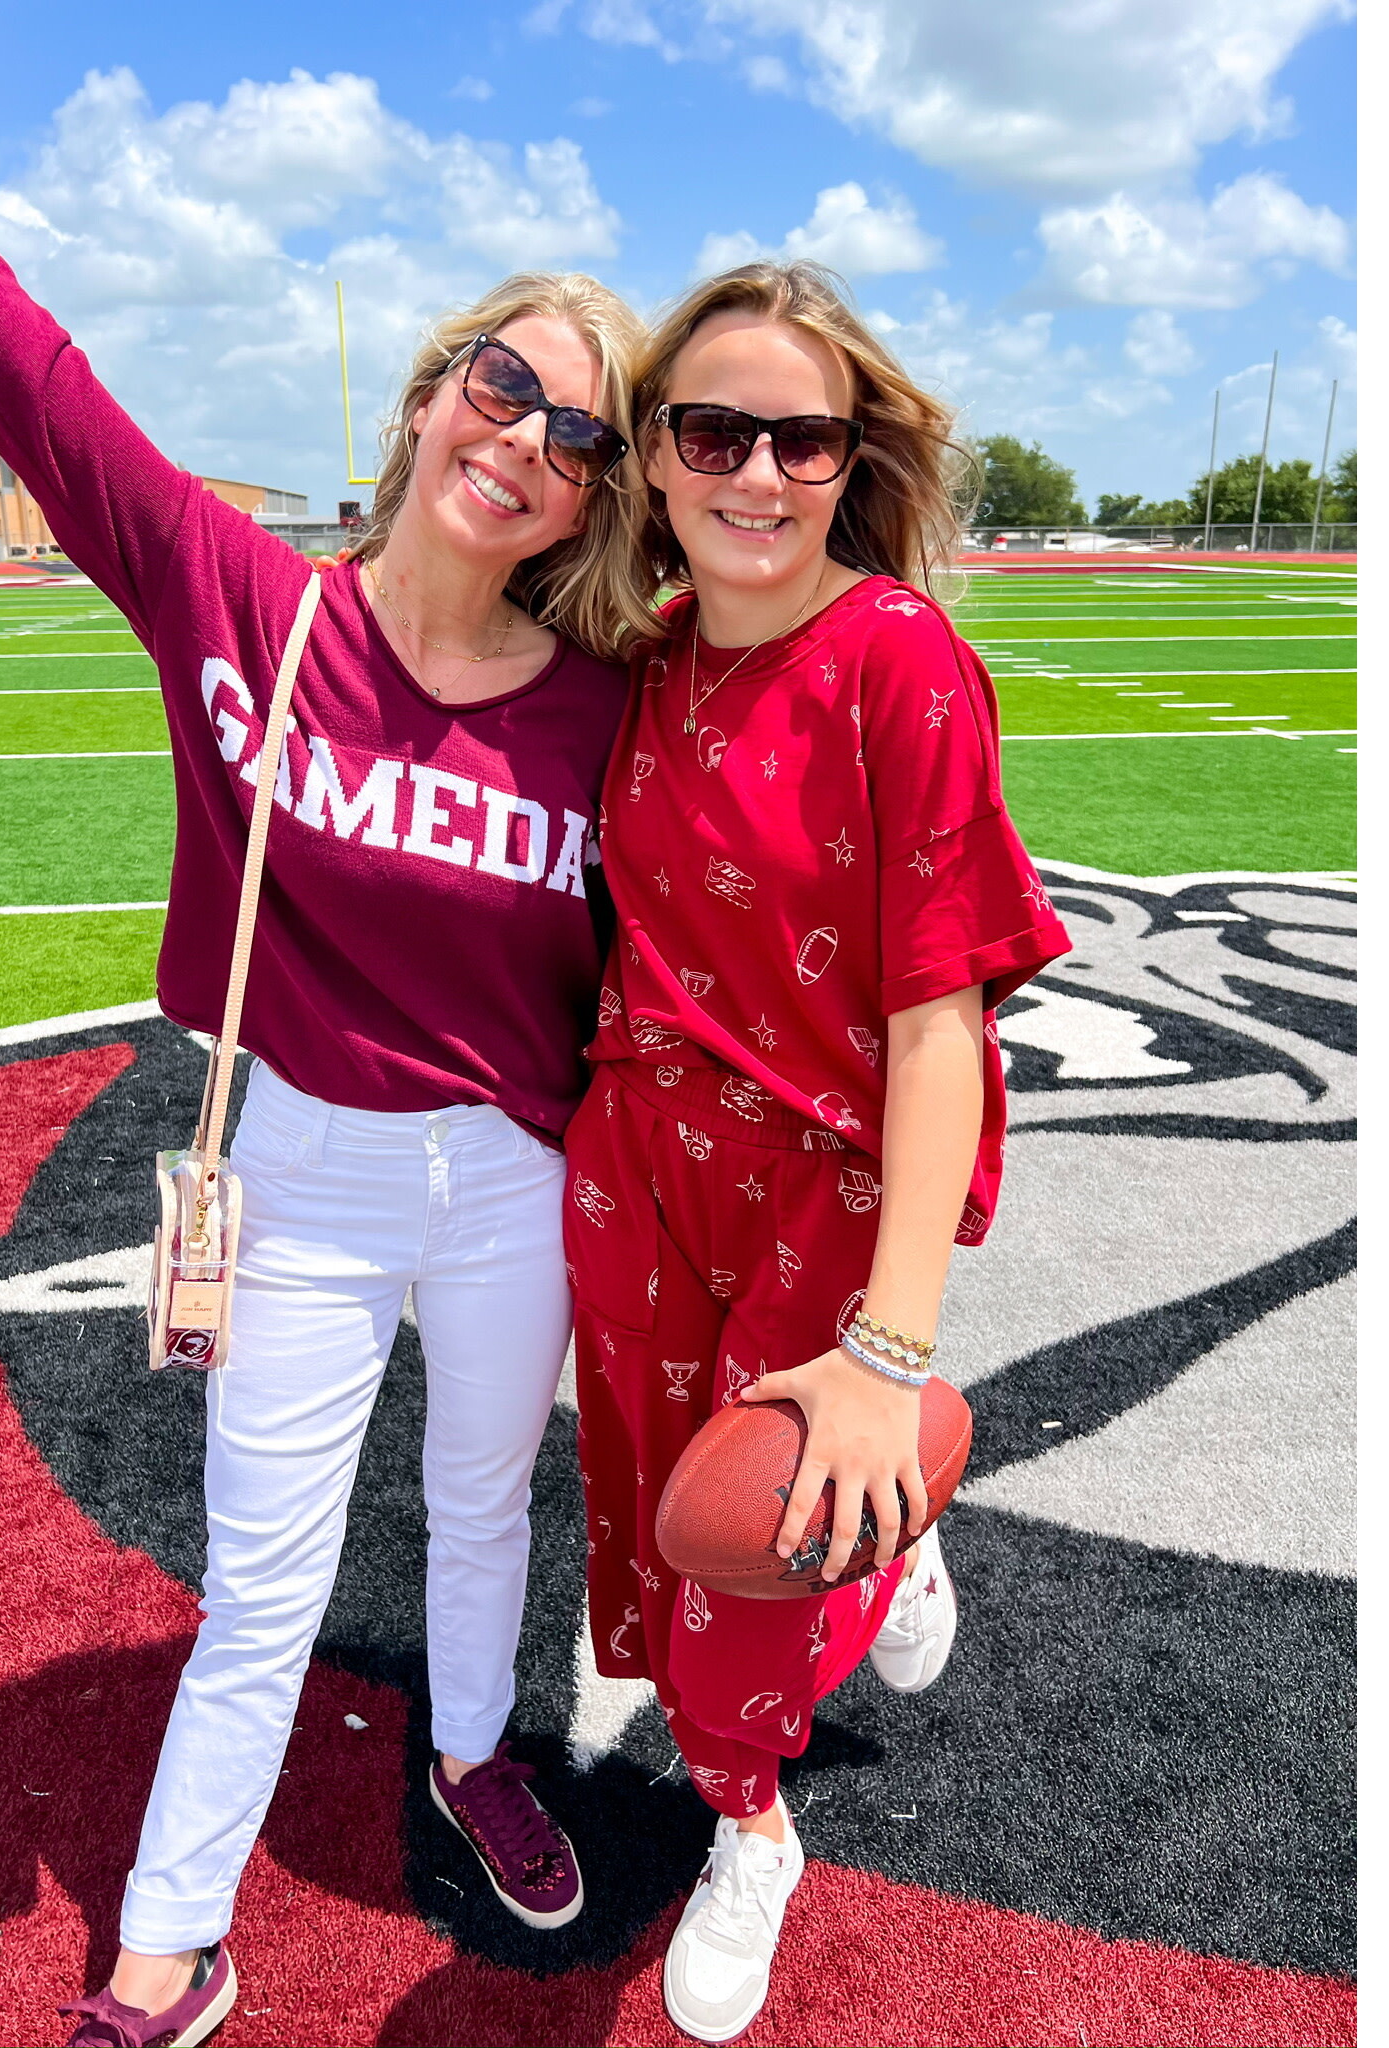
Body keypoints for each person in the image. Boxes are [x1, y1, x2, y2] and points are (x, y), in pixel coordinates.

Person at [0, 45, 655, 2048]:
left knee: (482, 1505)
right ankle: (168, 1941)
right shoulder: (237, 599)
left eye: (577, 428)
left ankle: (471, 1753)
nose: (527, 436)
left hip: (515, 1177)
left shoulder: (613, 699)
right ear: (429, 393)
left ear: (594, 488)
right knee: (260, 1576)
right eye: (501, 384)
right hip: (304, 1157)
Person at [562, 259, 1072, 2045]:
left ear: (854, 458)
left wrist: (889, 1350)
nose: (757, 473)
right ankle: (891, 1535)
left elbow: (945, 1027)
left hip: (822, 1187)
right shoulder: (630, 653)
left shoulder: (900, 663)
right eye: (712, 429)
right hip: (638, 1164)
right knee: (642, 1525)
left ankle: (752, 1829)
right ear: (648, 452)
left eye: (804, 438)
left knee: (738, 1576)